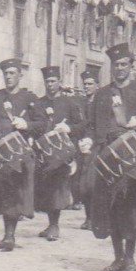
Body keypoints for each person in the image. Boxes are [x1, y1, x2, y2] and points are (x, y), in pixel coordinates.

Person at [85, 43, 136, 271]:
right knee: (112, 209)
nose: (120, 69)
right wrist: (87, 139)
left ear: (131, 66)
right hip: (107, 156)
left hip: (132, 156)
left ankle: (130, 258)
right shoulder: (103, 94)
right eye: (116, 65)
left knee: (130, 208)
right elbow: (91, 124)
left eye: (124, 64)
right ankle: (117, 258)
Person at [0, 58, 44, 252]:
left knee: (14, 193)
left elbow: (43, 124)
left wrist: (27, 125)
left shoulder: (29, 99)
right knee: (1, 192)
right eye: (6, 73)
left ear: (20, 75)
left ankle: (10, 235)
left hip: (19, 154)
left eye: (12, 73)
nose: (8, 77)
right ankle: (7, 233)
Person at [34, 66, 85, 241]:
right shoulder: (39, 103)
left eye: (53, 81)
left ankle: (55, 226)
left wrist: (68, 128)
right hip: (44, 152)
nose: (50, 85)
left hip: (62, 152)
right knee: (46, 189)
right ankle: (50, 224)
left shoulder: (69, 103)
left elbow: (81, 125)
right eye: (47, 81)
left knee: (57, 188)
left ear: (59, 82)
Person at [77, 69, 99, 231]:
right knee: (82, 185)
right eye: (85, 84)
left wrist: (92, 140)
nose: (87, 87)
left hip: (96, 146)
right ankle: (88, 217)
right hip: (81, 145)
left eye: (90, 84)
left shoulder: (100, 103)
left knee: (92, 183)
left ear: (97, 85)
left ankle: (94, 218)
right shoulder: (82, 103)